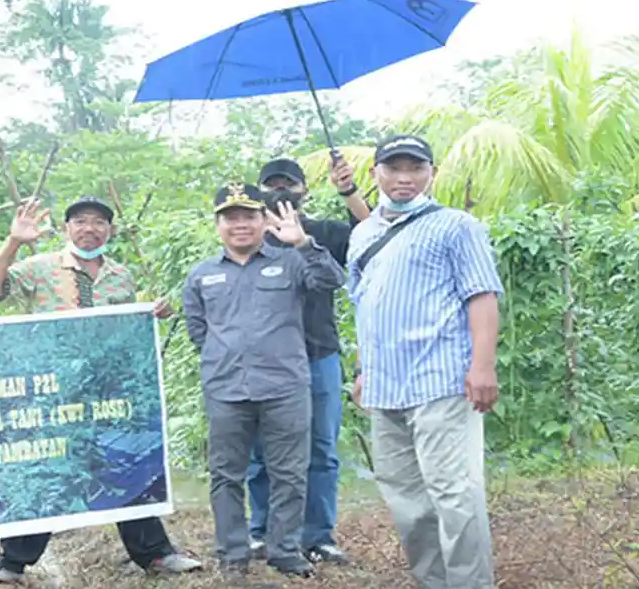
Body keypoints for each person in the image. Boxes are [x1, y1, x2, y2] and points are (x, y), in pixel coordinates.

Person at [0, 195, 203, 583]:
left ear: (109, 230)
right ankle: (11, 561)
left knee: (125, 464)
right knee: (46, 468)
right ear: (67, 228)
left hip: (108, 393)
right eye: (80, 221)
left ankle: (155, 554)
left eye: (99, 222)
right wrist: (13, 242)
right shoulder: (39, 268)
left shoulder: (120, 276)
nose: (90, 228)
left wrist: (148, 317)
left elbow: (123, 332)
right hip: (53, 392)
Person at [347, 135, 503, 589]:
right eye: (393, 168)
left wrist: (483, 365)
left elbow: (482, 296)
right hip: (386, 388)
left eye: (414, 168)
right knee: (407, 502)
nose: (404, 178)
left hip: (441, 382)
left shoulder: (456, 226)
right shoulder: (364, 234)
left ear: (431, 173)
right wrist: (363, 370)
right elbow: (365, 305)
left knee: (455, 497)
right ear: (375, 172)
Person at [182, 183, 347, 578]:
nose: (240, 225)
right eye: (230, 217)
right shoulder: (202, 275)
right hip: (226, 391)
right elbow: (198, 331)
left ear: (262, 221)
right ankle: (233, 553)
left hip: (285, 388)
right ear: (218, 224)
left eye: (249, 216)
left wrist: (303, 242)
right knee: (226, 475)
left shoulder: (290, 263)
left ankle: (286, 550)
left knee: (290, 472)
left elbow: (332, 280)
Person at [245, 157, 368, 564]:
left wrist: (349, 191)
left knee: (321, 449)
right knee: (261, 451)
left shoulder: (327, 232)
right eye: (272, 184)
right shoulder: (248, 236)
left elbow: (371, 234)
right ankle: (261, 532)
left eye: (290, 184)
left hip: (319, 355)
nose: (281, 191)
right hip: (262, 362)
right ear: (260, 191)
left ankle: (318, 536)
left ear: (305, 190)